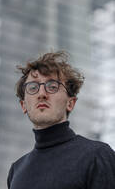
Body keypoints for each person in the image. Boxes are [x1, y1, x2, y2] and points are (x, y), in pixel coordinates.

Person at [7, 51, 115, 189]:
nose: (41, 94)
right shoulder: (16, 170)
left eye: (52, 86)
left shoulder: (97, 156)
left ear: (70, 103)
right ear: (24, 105)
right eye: (33, 87)